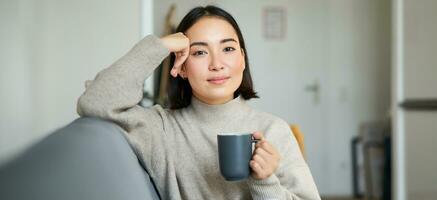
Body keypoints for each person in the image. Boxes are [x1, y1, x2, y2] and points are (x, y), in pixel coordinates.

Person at [77, 5, 320, 200]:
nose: (217, 63)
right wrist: (159, 46)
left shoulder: (272, 130)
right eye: (200, 52)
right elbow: (94, 102)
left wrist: (265, 181)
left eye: (228, 48)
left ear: (242, 59)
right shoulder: (160, 129)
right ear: (181, 67)